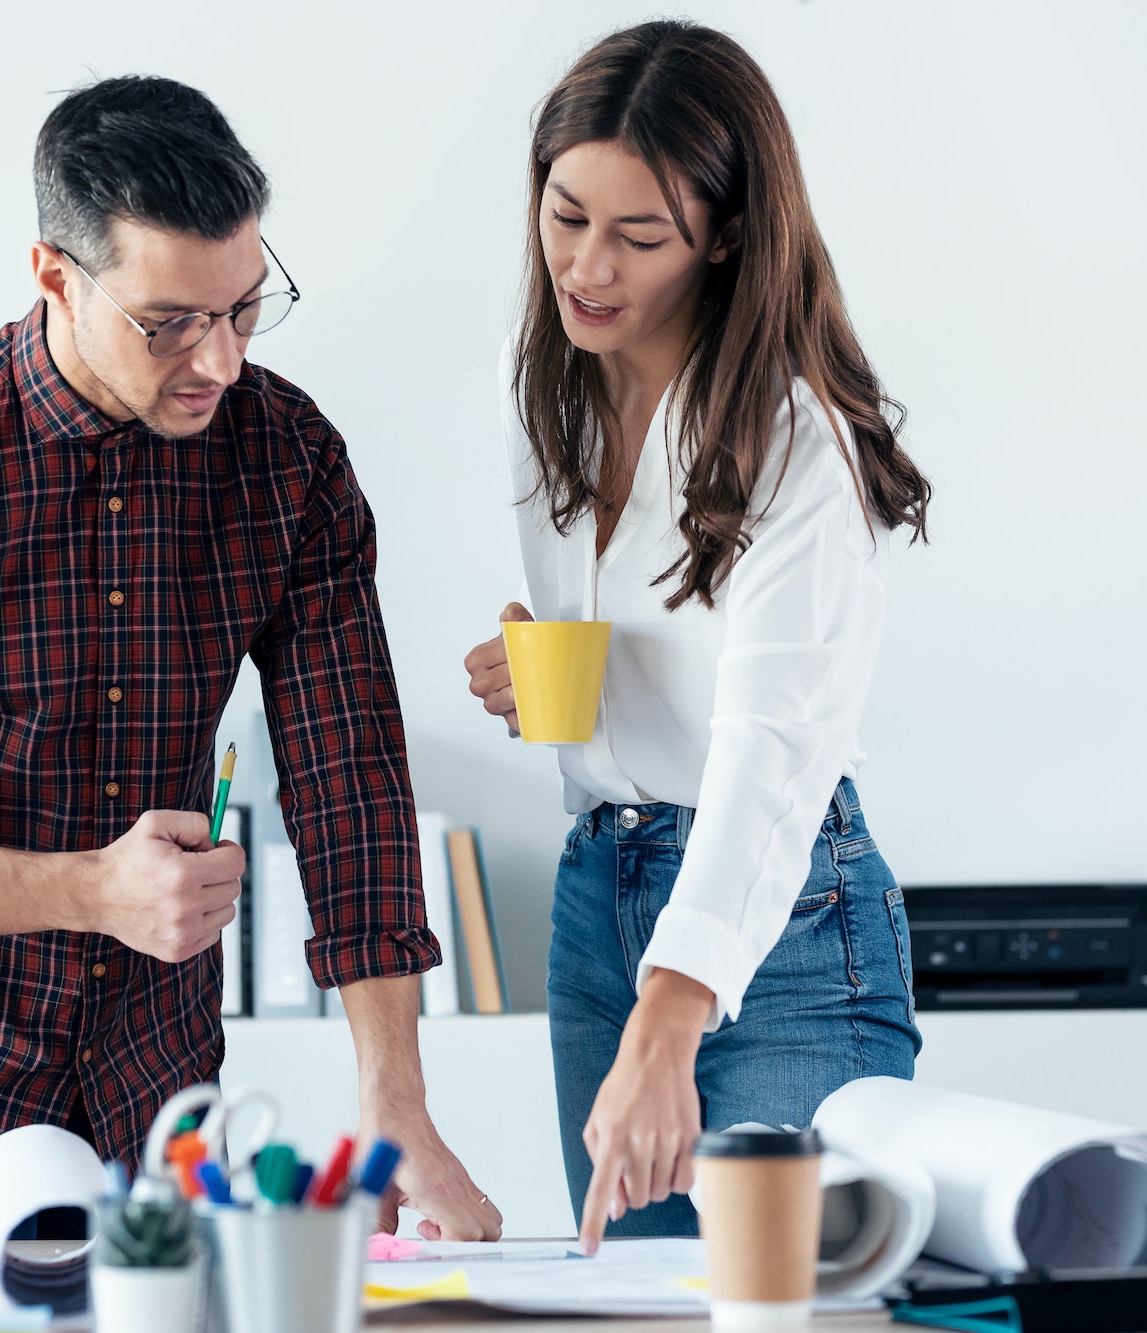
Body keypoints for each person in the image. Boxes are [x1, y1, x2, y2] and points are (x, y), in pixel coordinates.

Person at [0, 74, 498, 1243]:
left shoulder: (285, 462)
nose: (219, 363)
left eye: (245, 308)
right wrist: (91, 890)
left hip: (151, 1080)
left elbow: (348, 784)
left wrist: (392, 1103)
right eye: (168, 323)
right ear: (54, 276)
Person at [463, 20, 934, 1252]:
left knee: (775, 1299)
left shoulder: (794, 439)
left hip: (778, 922)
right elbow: (651, 648)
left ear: (722, 236)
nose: (585, 266)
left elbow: (770, 748)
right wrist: (544, 672)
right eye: (565, 216)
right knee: (634, 1297)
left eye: (638, 236)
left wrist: (670, 1013)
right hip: (596, 896)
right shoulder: (548, 397)